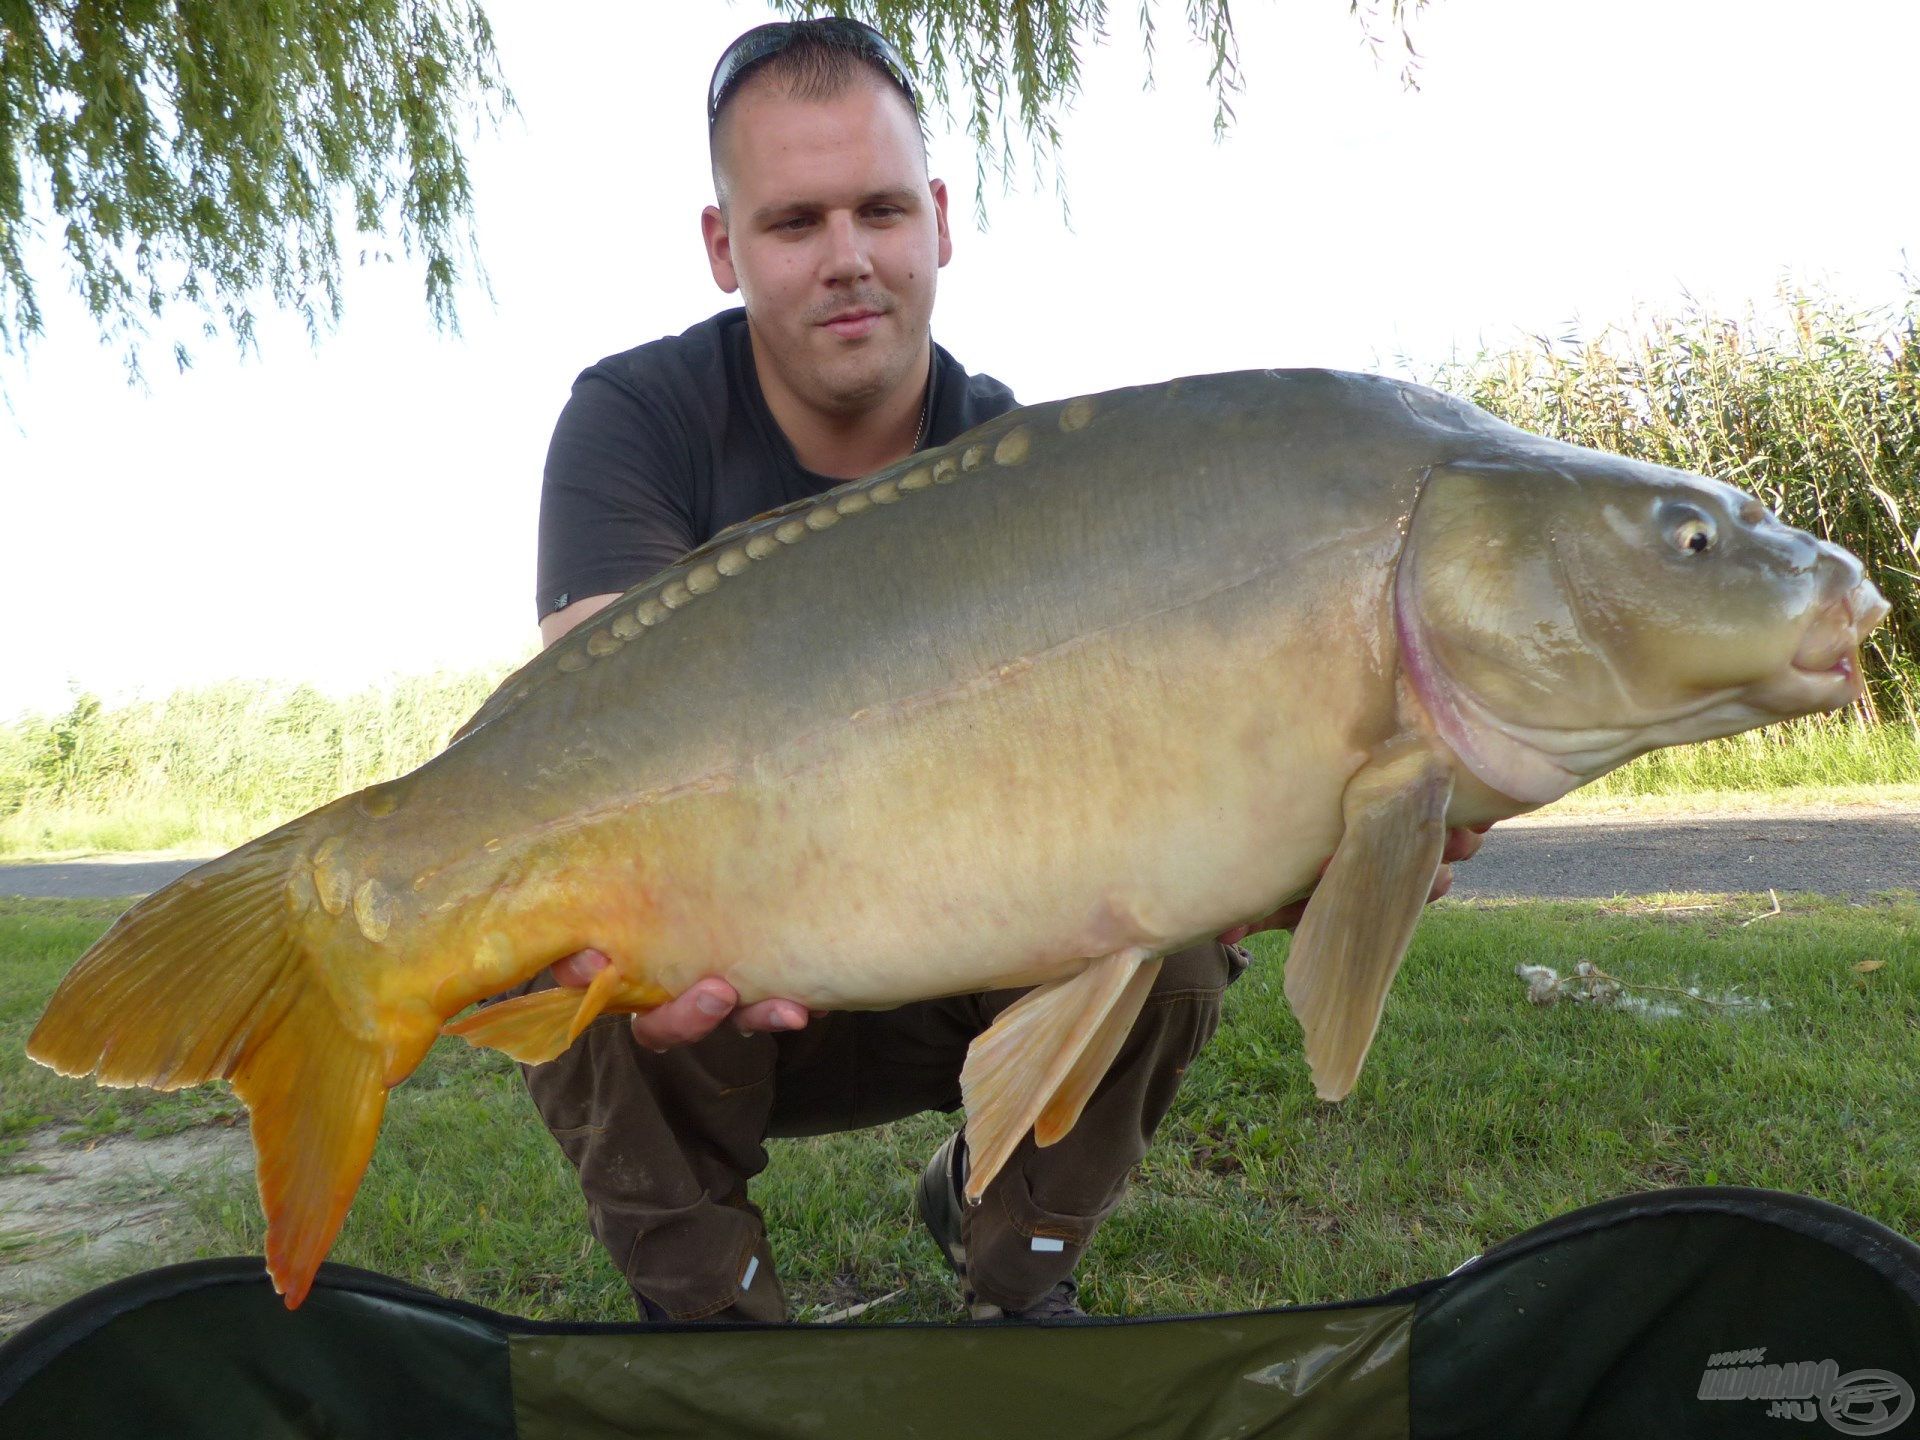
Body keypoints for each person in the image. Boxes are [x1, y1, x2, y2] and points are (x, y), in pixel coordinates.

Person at [521, 17, 1487, 1325]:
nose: (849, 258)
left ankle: (1012, 1262)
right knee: (554, 947)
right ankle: (717, 1320)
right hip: (723, 985)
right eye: (796, 222)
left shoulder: (1021, 469)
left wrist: (1303, 834)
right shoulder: (637, 421)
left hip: (954, 979)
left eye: (878, 210)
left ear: (937, 220)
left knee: (1177, 941)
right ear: (722, 247)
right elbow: (581, 728)